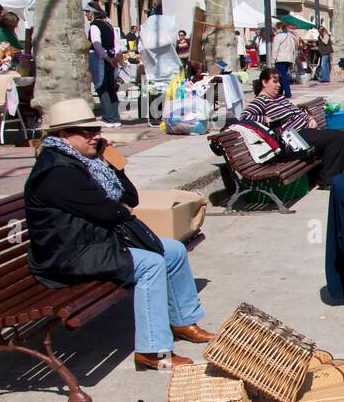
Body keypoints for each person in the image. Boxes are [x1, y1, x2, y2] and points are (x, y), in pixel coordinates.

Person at [24, 98, 211, 371]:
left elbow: (129, 199)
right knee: (150, 264)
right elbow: (110, 212)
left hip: (94, 242)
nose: (95, 137)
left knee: (173, 250)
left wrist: (111, 163)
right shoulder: (57, 172)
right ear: (64, 135)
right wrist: (118, 208)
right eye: (87, 133)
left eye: (96, 131)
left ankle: (183, 321)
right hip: (69, 254)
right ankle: (153, 351)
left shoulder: (85, 163)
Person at [238, 68, 344, 186]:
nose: (278, 85)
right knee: (338, 137)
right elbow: (244, 117)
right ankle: (328, 180)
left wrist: (309, 118)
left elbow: (296, 111)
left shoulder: (280, 98)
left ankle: (339, 179)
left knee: (341, 136)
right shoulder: (261, 101)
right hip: (295, 138)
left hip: (306, 132)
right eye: (274, 82)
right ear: (264, 82)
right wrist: (265, 119)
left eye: (279, 82)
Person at [86, 4, 121, 127]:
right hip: (111, 57)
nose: (86, 14)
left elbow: (97, 44)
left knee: (102, 86)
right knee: (111, 86)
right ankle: (115, 117)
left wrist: (107, 58)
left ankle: (109, 117)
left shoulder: (95, 25)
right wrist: (114, 57)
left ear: (92, 13)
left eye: (87, 12)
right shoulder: (109, 25)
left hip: (101, 59)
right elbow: (117, 43)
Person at [271, 23, 297, 98]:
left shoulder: (278, 37)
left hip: (280, 58)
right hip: (289, 59)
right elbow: (293, 50)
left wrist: (273, 60)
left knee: (282, 76)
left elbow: (275, 49)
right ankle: (281, 91)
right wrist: (293, 60)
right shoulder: (291, 37)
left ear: (279, 28)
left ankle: (287, 92)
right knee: (283, 75)